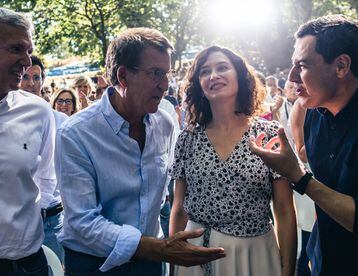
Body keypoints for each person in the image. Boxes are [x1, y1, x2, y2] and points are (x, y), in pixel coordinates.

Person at [250, 15, 358, 276]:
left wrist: (299, 177)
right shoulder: (314, 112)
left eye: (301, 65)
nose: (292, 78)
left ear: (341, 65)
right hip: (322, 259)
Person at [55, 27, 225, 275]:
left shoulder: (165, 125)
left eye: (167, 74)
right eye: (156, 74)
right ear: (123, 76)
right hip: (94, 265)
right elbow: (82, 221)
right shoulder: (76, 133)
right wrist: (157, 248)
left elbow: (173, 192)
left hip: (151, 263)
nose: (165, 86)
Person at [169, 45, 297, 276]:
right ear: (199, 84)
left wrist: (288, 269)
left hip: (254, 255)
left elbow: (285, 210)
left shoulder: (268, 134)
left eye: (222, 68)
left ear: (240, 75)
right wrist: (172, 264)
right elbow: (178, 208)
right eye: (205, 72)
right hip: (194, 256)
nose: (213, 76)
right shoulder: (187, 138)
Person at [0, 8, 55, 275]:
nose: (27, 60)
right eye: (16, 49)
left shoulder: (39, 111)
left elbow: (47, 178)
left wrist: (24, 231)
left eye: (29, 50)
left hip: (27, 264)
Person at [19, 55, 67, 263]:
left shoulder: (61, 120)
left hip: (52, 220)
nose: (31, 83)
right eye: (25, 77)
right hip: (18, 222)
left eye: (36, 78)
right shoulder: (9, 120)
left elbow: (60, 171)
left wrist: (40, 211)